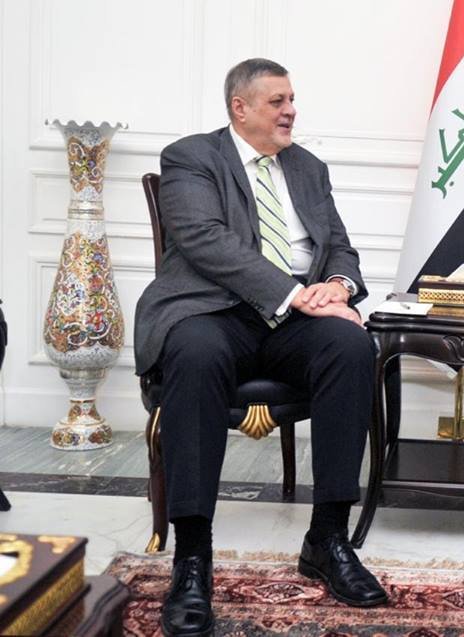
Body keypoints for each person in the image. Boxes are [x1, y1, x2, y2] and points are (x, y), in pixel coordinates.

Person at [134, 58, 387, 637]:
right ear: (239, 107)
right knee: (194, 353)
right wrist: (295, 294)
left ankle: (327, 540)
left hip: (295, 318)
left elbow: (338, 245)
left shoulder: (308, 167)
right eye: (277, 101)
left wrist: (338, 286)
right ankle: (192, 557)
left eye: (292, 99)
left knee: (351, 346)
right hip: (212, 309)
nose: (291, 110)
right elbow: (204, 240)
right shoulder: (192, 157)